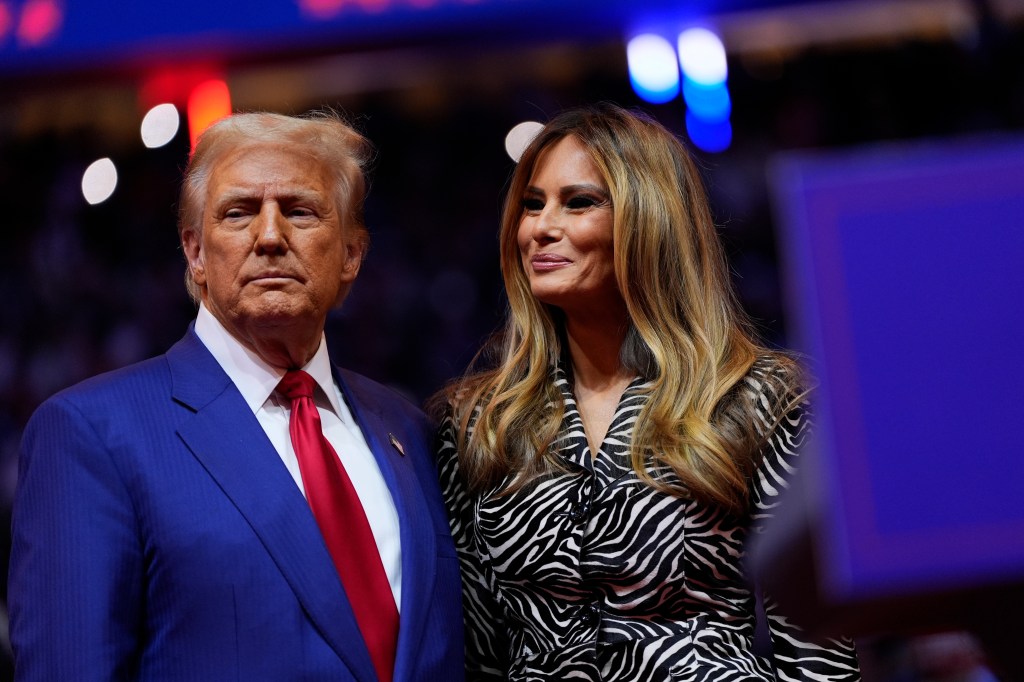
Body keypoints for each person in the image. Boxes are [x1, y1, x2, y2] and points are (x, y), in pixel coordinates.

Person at [9, 111, 464, 681]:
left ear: (352, 254)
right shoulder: (91, 434)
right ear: (195, 253)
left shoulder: (409, 429)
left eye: (300, 211)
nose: (270, 236)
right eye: (238, 213)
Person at [435, 103, 860, 680]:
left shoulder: (758, 398)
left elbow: (816, 654)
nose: (540, 227)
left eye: (579, 201)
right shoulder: (478, 421)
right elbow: (479, 650)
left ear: (649, 218)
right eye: (532, 205)